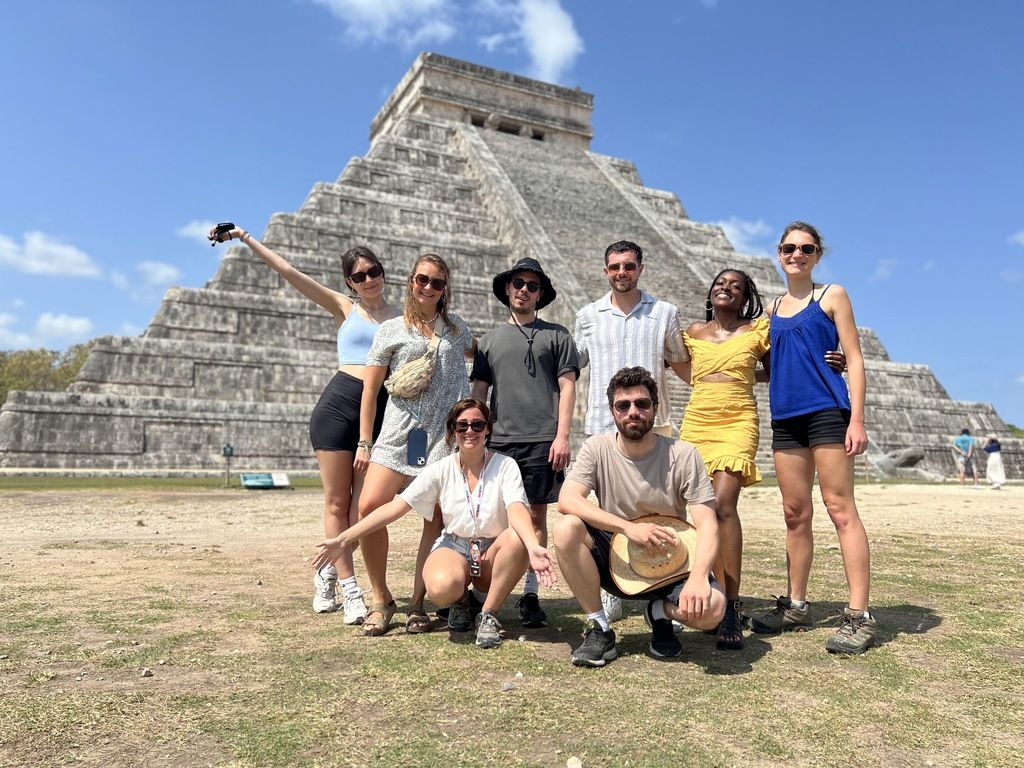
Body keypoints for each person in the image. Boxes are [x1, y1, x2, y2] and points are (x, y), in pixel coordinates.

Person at [209, 224, 397, 624]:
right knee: (335, 501)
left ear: (383, 272)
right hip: (339, 404)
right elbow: (290, 272)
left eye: (374, 270)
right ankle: (349, 590)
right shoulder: (344, 308)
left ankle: (327, 568)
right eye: (359, 275)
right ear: (350, 282)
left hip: (380, 411)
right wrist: (245, 237)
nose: (369, 279)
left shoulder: (402, 318)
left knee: (363, 508)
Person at [678, 270, 847, 651]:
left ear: (745, 298)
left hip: (737, 421)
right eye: (720, 283)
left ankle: (732, 606)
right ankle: (704, 590)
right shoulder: (691, 332)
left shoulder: (759, 330)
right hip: (697, 422)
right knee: (695, 509)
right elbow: (680, 366)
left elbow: (783, 366)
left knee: (722, 505)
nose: (726, 288)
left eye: (736, 286)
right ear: (711, 292)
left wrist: (837, 361)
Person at [314, 399, 556, 649]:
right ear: (452, 432)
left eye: (477, 424)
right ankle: (460, 601)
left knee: (517, 537)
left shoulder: (505, 465)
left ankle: (488, 614)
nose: (469, 431)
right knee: (441, 587)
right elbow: (395, 508)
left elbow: (517, 508)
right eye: (462, 426)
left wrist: (532, 545)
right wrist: (344, 538)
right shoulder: (441, 469)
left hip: (493, 549)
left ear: (487, 430)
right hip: (456, 545)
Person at [750, 221, 875, 655]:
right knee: (794, 513)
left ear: (817, 254)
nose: (796, 254)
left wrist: (856, 419)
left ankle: (859, 615)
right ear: (779, 253)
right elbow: (769, 365)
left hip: (826, 411)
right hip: (786, 417)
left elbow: (855, 359)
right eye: (789, 248)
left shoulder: (832, 295)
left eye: (805, 248)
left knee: (841, 510)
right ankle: (797, 605)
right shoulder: (771, 306)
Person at [554, 366, 724, 666]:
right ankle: (599, 628)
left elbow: (708, 524)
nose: (633, 411)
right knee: (566, 528)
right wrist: (627, 528)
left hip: (674, 560)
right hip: (617, 558)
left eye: (642, 404)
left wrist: (699, 578)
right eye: (624, 405)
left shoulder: (684, 454)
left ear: (655, 409)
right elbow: (568, 499)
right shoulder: (598, 447)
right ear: (613, 411)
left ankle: (660, 613)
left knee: (713, 611)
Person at [354, 254, 476, 636]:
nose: (428, 287)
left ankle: (419, 603)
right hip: (399, 434)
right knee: (370, 507)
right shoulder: (391, 329)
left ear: (445, 289)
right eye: (422, 280)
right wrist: (364, 441)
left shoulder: (457, 330)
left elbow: (480, 353)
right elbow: (370, 391)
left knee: (434, 520)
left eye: (437, 283)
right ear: (411, 282)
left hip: (440, 439)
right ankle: (380, 597)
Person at [573, 240, 690, 623]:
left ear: (641, 267)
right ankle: (615, 585)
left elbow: (683, 362)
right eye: (614, 267)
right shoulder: (588, 315)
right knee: (603, 512)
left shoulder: (665, 313)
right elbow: (570, 367)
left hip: (652, 423)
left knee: (661, 506)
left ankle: (667, 576)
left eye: (628, 266)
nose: (621, 272)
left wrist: (750, 371)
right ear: (605, 271)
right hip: (603, 425)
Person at [471, 257, 578, 629]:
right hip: (500, 438)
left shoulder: (558, 335)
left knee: (536, 516)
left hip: (542, 439)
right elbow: (480, 392)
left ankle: (530, 592)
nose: (524, 290)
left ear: (540, 294)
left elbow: (568, 387)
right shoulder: (488, 341)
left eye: (532, 286)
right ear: (507, 288)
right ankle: (489, 592)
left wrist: (562, 435)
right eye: (518, 283)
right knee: (497, 517)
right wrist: (477, 434)